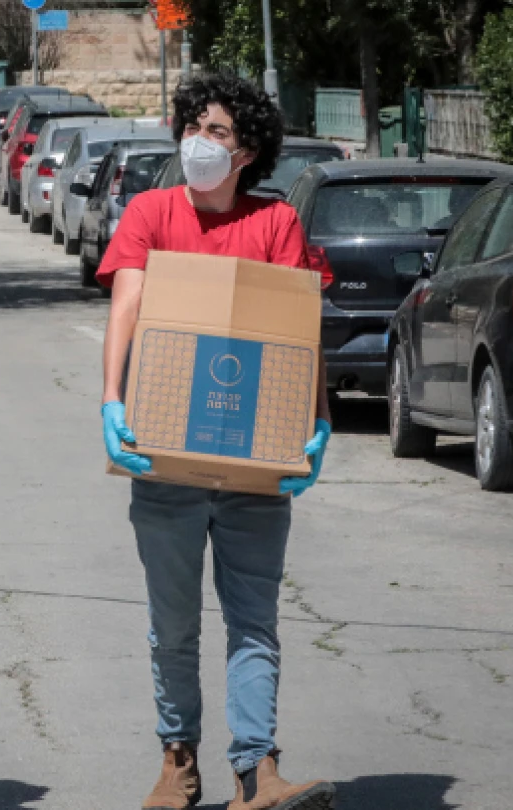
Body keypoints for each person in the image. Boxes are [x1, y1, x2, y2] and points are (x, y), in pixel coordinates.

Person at [97, 74, 336, 810]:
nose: (199, 142)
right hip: (165, 456)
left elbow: (300, 332)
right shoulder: (150, 211)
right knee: (172, 624)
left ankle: (256, 772)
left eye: (218, 133)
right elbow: (127, 304)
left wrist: (318, 422)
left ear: (248, 152)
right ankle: (178, 761)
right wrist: (111, 401)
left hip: (256, 466)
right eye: (193, 126)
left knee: (253, 622)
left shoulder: (275, 226)